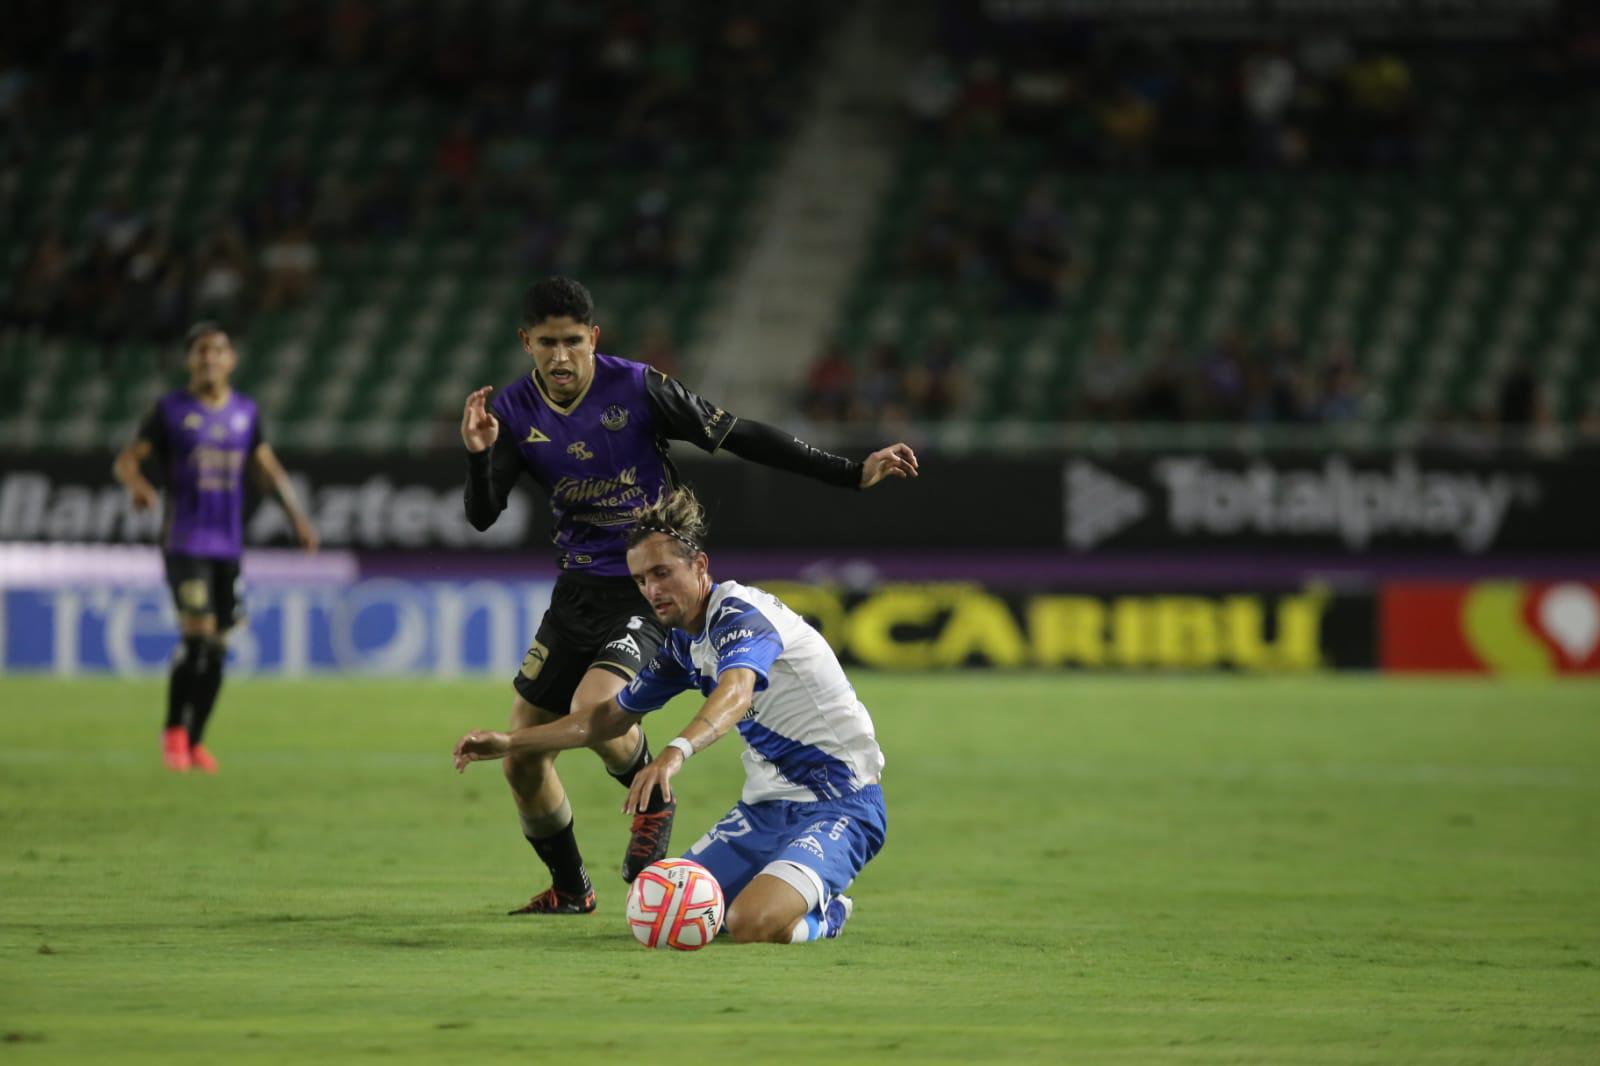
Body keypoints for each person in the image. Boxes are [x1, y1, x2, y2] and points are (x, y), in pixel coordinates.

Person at [460, 276, 914, 916]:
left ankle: (653, 790)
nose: (559, 357)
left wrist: (848, 471)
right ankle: (570, 890)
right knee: (522, 761)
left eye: (570, 341)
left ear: (592, 338)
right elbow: (483, 515)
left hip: (649, 585)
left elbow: (741, 434)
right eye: (545, 344)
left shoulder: (638, 388)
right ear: (525, 343)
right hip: (577, 592)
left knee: (598, 704)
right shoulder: (511, 410)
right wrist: (480, 456)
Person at [454, 487, 885, 943]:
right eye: (641, 580)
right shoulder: (682, 643)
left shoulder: (742, 617)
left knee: (749, 923)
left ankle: (829, 914)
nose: (652, 590)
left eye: (662, 573)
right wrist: (511, 742)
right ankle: (785, 891)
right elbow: (607, 719)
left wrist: (672, 754)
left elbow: (735, 691)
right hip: (765, 808)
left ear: (699, 565)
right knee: (660, 907)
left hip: (842, 803)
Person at [113, 322, 318, 773]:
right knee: (198, 636)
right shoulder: (168, 411)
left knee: (219, 649)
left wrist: (297, 518)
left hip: (229, 547)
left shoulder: (245, 412)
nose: (209, 358)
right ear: (190, 360)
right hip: (184, 542)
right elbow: (126, 460)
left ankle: (196, 740)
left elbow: (267, 469)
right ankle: (172, 730)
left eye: (218, 351)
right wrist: (139, 485)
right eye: (201, 351)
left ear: (231, 360)